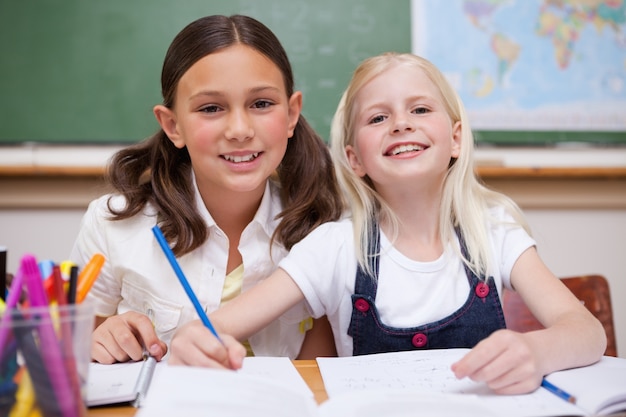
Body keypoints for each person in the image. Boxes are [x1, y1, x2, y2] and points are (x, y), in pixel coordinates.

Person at [169, 52, 606, 394]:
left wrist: (535, 350)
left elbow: (587, 333)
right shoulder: (333, 247)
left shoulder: (494, 234)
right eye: (378, 118)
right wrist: (195, 340)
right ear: (354, 158)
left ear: (455, 139)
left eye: (419, 109)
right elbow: (211, 330)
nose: (401, 124)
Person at [70, 14, 343, 365]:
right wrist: (102, 338)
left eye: (261, 103)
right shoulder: (112, 224)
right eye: (211, 108)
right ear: (172, 125)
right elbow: (74, 349)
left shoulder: (326, 228)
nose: (240, 130)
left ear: (291, 115)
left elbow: (318, 377)